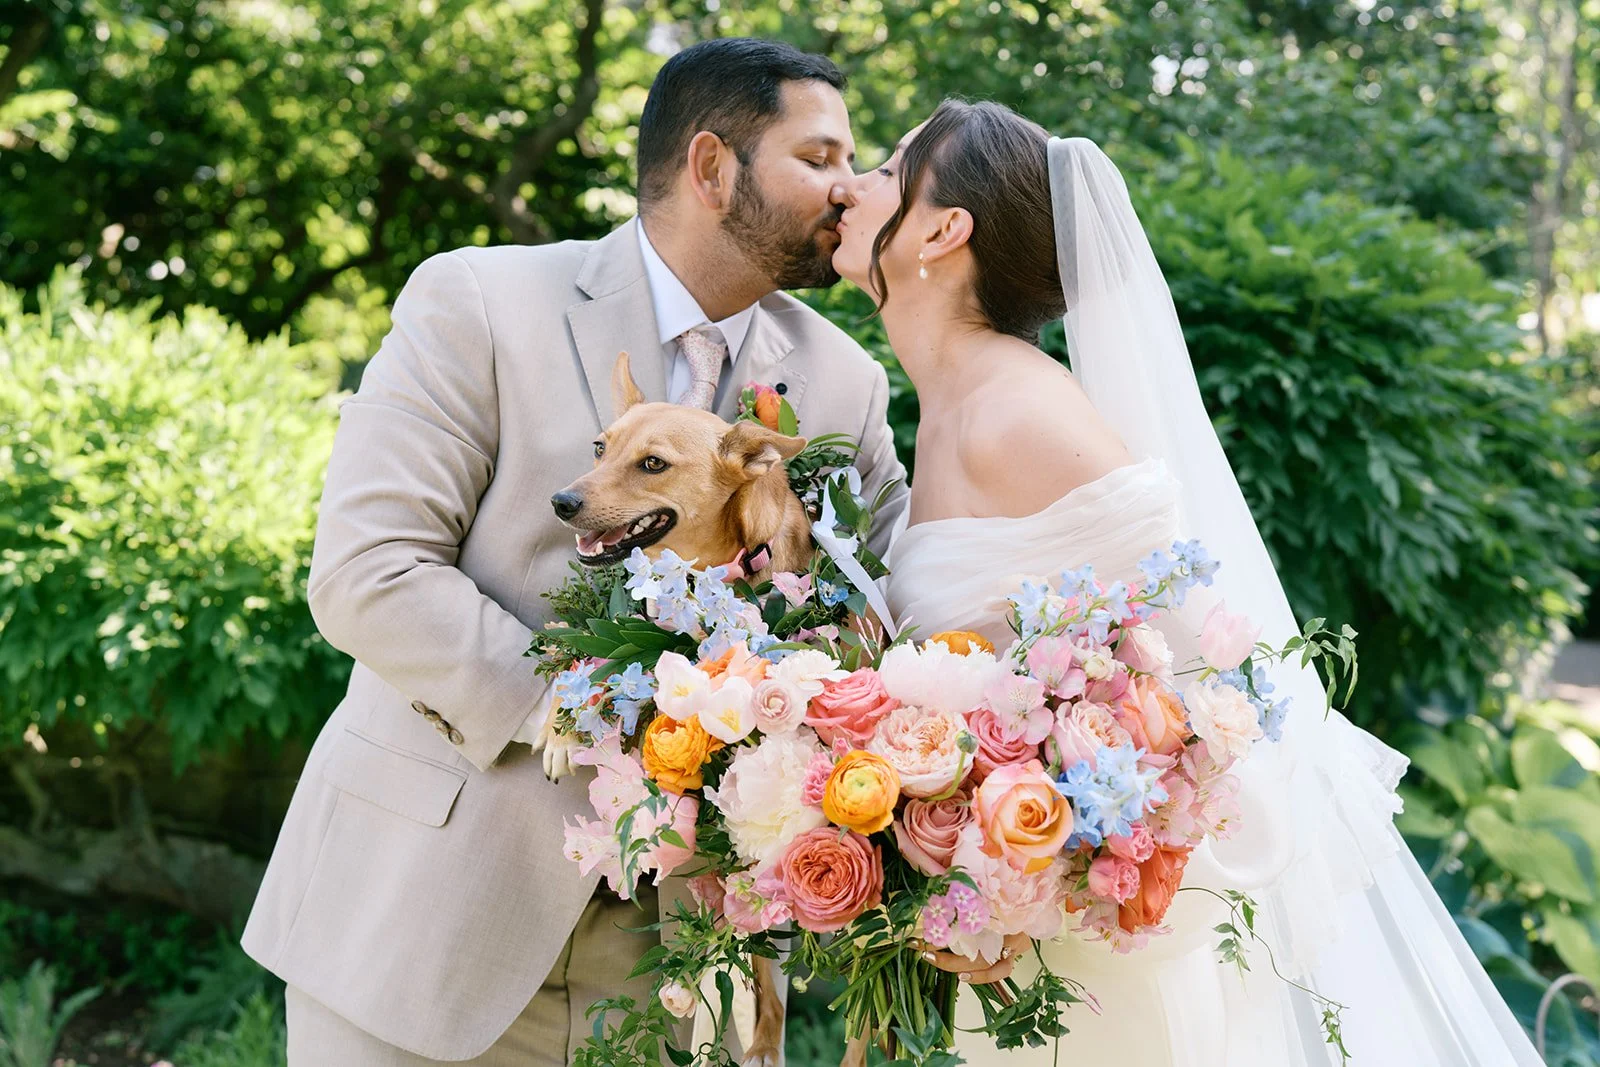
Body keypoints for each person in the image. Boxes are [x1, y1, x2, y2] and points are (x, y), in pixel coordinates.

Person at [832, 98, 1543, 1066]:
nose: (852, 185)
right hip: (1028, 950)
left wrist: (1041, 876)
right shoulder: (953, 404)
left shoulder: (1021, 416)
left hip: (1105, 963)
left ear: (941, 229)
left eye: (885, 169)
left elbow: (1204, 693)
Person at [242, 37, 907, 1066]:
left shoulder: (846, 382)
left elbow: (883, 615)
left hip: (684, 974)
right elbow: (369, 572)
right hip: (425, 925)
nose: (850, 187)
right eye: (819, 158)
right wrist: (606, 717)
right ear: (712, 167)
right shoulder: (478, 299)